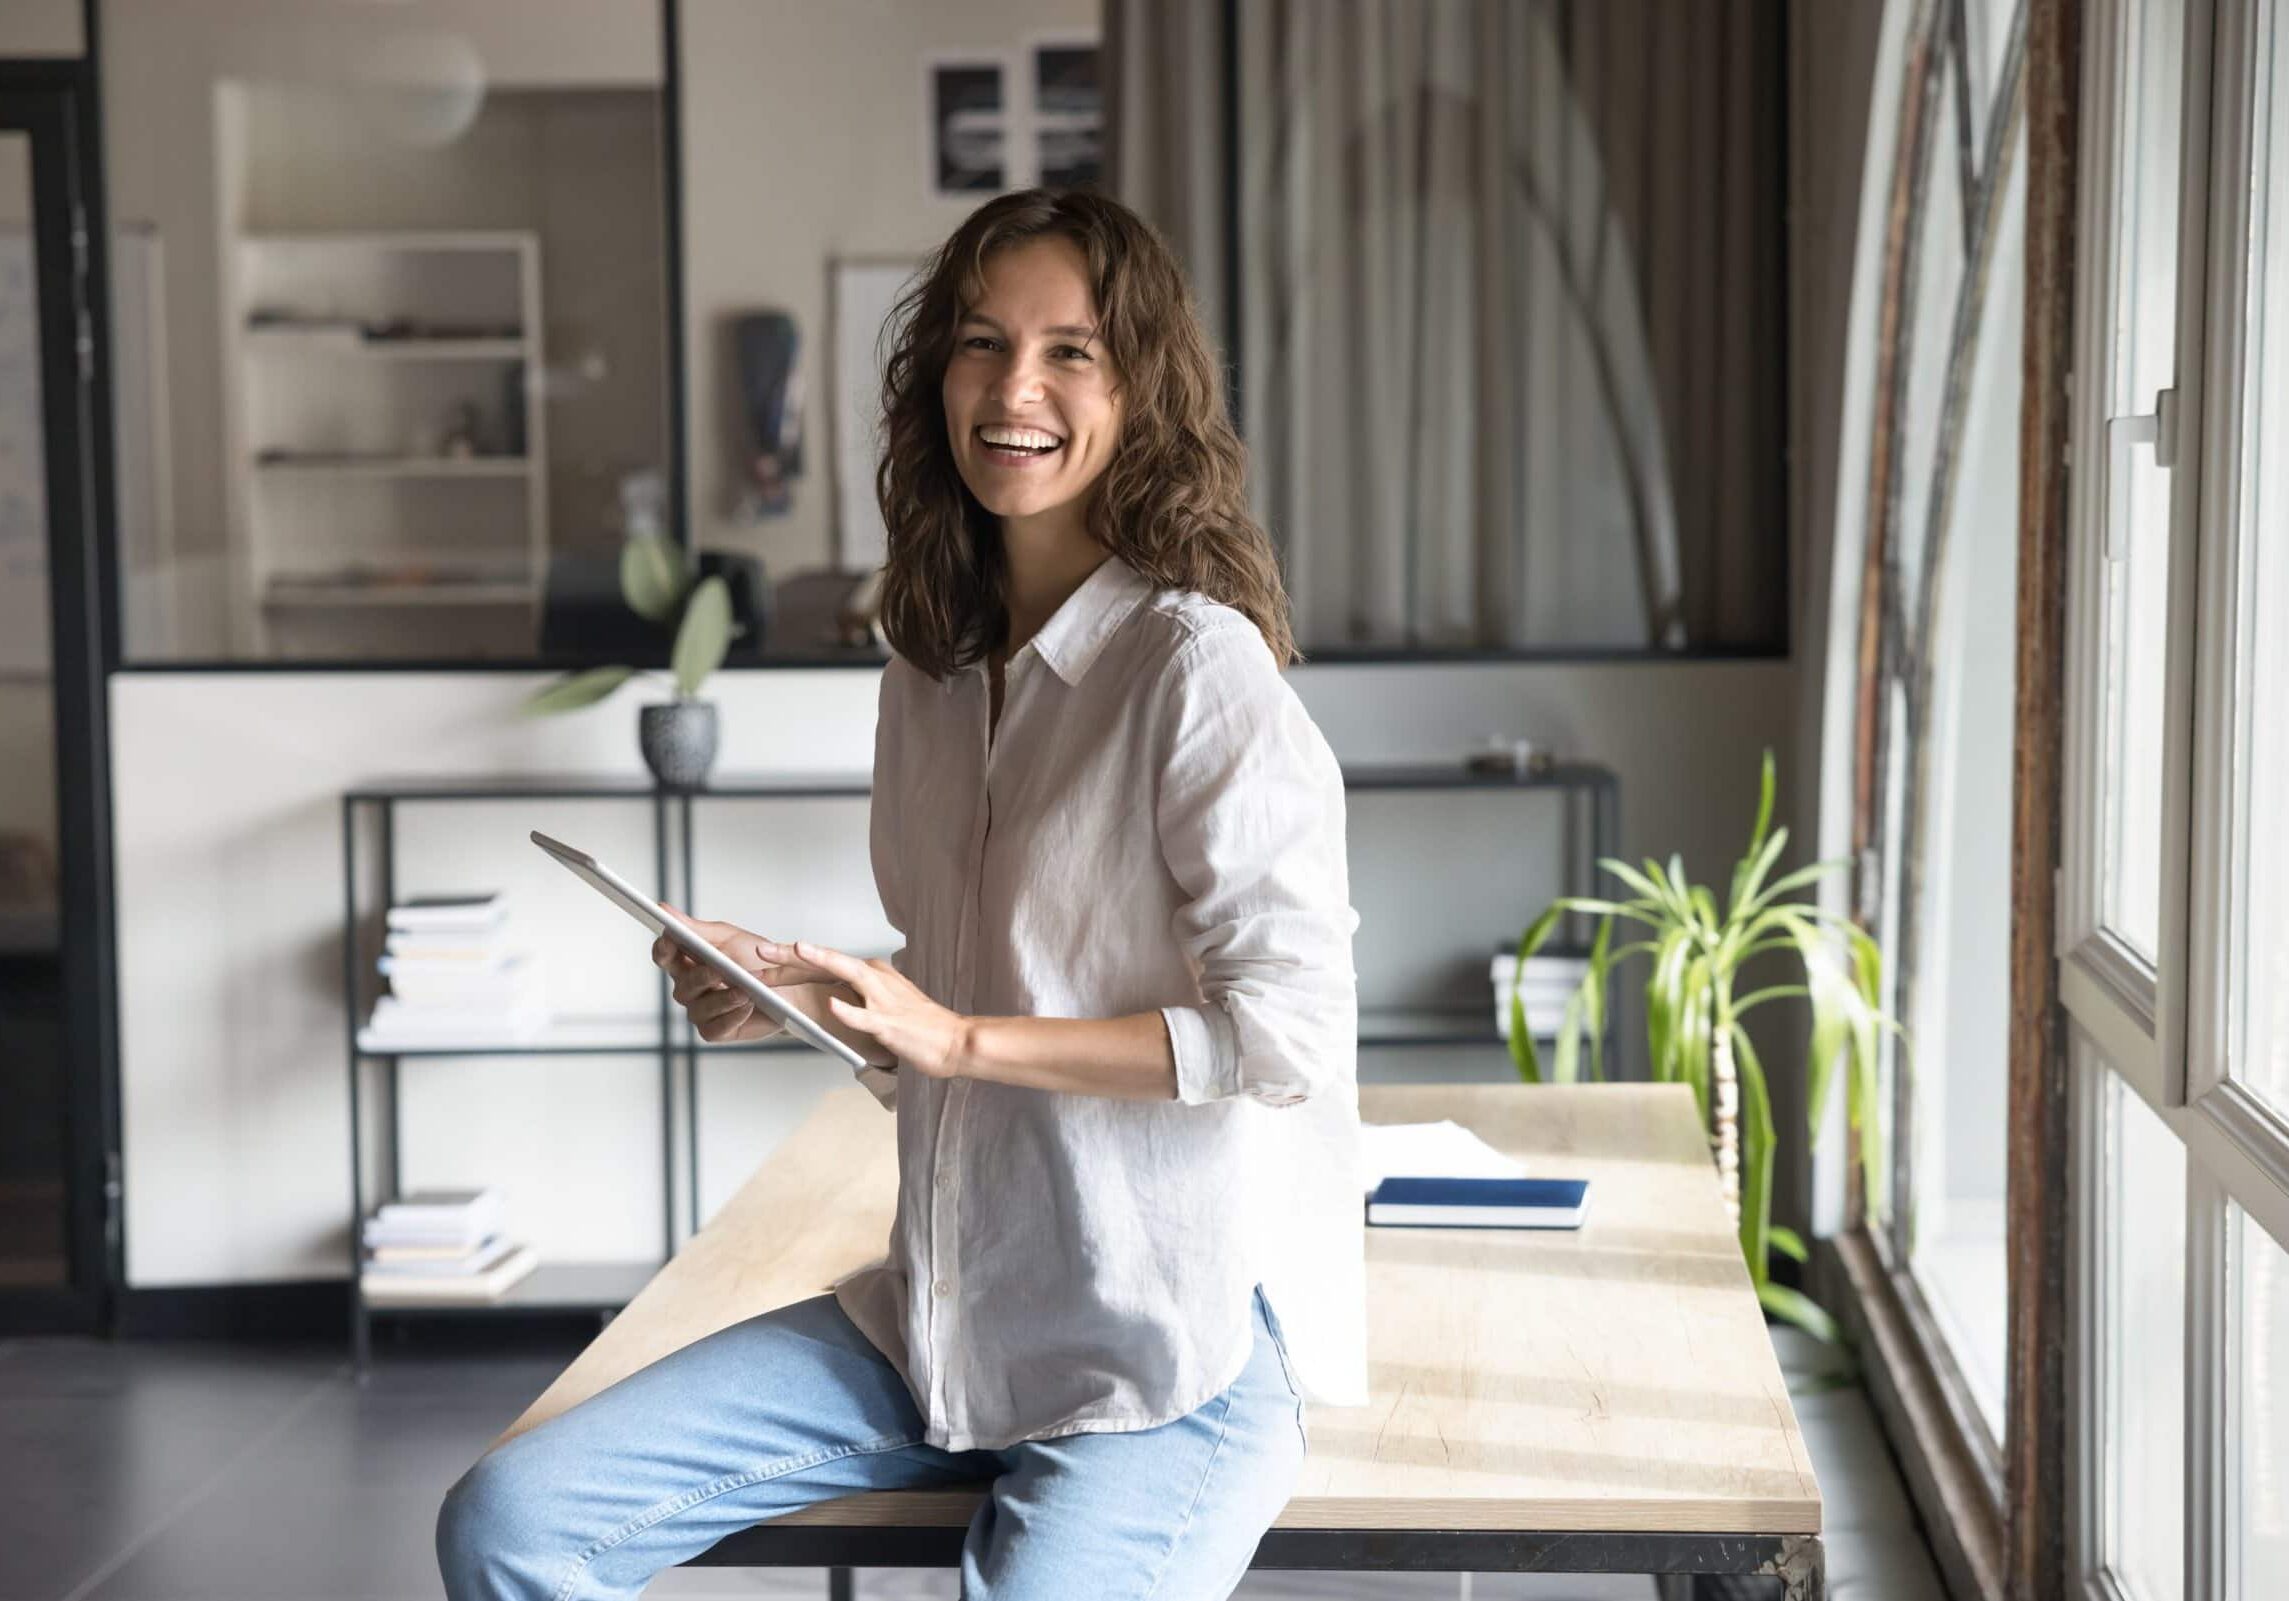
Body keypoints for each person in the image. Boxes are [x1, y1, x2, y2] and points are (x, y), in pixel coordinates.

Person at [436, 187, 1364, 1599]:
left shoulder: (1194, 668)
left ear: (1142, 392)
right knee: (510, 1522)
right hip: (945, 1314)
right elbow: (972, 980)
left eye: (1072, 352)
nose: (1015, 389)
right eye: (982, 344)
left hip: (1168, 1355)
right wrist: (817, 998)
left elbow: (1284, 1029)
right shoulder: (927, 677)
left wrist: (956, 1036)